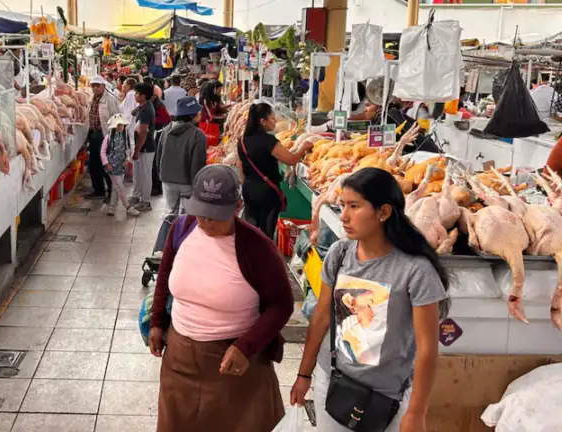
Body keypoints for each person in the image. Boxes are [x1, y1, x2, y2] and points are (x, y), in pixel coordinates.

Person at [290, 168, 450, 432]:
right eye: (342, 206)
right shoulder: (340, 254)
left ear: (383, 212)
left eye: (354, 206)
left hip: (387, 396)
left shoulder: (415, 270)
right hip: (334, 383)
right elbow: (321, 317)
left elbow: (427, 348)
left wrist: (417, 411)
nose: (344, 217)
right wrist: (304, 374)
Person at [150, 164, 293, 432]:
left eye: (215, 216)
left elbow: (281, 305)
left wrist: (246, 347)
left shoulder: (257, 247)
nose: (205, 222)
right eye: (201, 213)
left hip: (234, 364)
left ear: (237, 206)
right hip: (180, 360)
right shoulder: (182, 229)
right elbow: (164, 278)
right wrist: (157, 322)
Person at [237, 102, 313, 239]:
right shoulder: (268, 141)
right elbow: (291, 159)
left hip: (249, 189)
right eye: (272, 118)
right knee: (266, 233)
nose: (275, 121)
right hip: (267, 192)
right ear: (262, 121)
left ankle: (249, 257)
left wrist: (246, 185)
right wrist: (303, 148)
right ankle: (264, 258)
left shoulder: (242, 141)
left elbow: (239, 165)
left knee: (250, 229)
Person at [156, 96, 206, 214]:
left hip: (167, 180)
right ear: (192, 116)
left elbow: (159, 156)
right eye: (198, 112)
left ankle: (171, 231)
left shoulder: (166, 130)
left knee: (172, 213)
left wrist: (162, 175)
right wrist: (197, 186)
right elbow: (197, 163)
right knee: (186, 218)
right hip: (187, 183)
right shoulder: (198, 135)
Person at [86, 75, 120, 200]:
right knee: (93, 163)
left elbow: (118, 118)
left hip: (106, 135)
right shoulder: (91, 99)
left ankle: (111, 192)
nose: (95, 88)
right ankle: (98, 190)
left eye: (97, 86)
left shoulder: (111, 100)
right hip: (94, 134)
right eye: (93, 86)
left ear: (103, 86)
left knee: (106, 164)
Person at [100, 115, 140, 217]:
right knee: (120, 187)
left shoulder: (125, 136)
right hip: (112, 166)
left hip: (122, 166)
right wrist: (107, 163)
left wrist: (127, 160)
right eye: (118, 125)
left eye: (122, 125)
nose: (120, 127)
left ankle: (112, 207)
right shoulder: (108, 137)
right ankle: (127, 207)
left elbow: (130, 149)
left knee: (116, 187)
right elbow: (103, 151)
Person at [129, 82, 157, 212]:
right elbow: (133, 113)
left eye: (137, 94)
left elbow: (143, 133)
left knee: (145, 175)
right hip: (141, 147)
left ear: (143, 96)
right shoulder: (143, 107)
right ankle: (136, 195)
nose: (134, 95)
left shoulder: (146, 110)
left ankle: (146, 201)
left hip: (145, 147)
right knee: (138, 173)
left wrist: (137, 150)